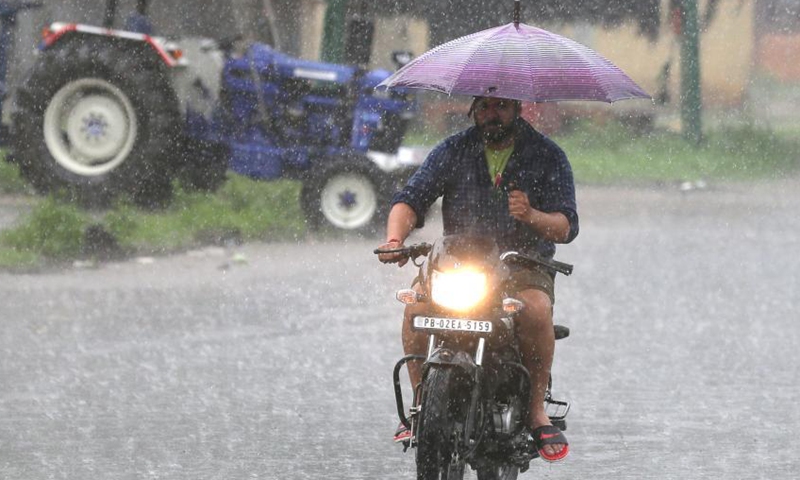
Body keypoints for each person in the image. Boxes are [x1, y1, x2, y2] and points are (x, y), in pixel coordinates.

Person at [376, 96, 578, 463]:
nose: (492, 115)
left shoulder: (547, 155)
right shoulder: (452, 150)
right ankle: (423, 404)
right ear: (472, 109)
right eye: (484, 106)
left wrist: (532, 215)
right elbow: (411, 199)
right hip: (458, 265)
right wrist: (395, 239)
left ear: (518, 108)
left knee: (535, 310)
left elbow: (566, 226)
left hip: (521, 265)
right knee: (415, 308)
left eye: (501, 106)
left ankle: (535, 410)